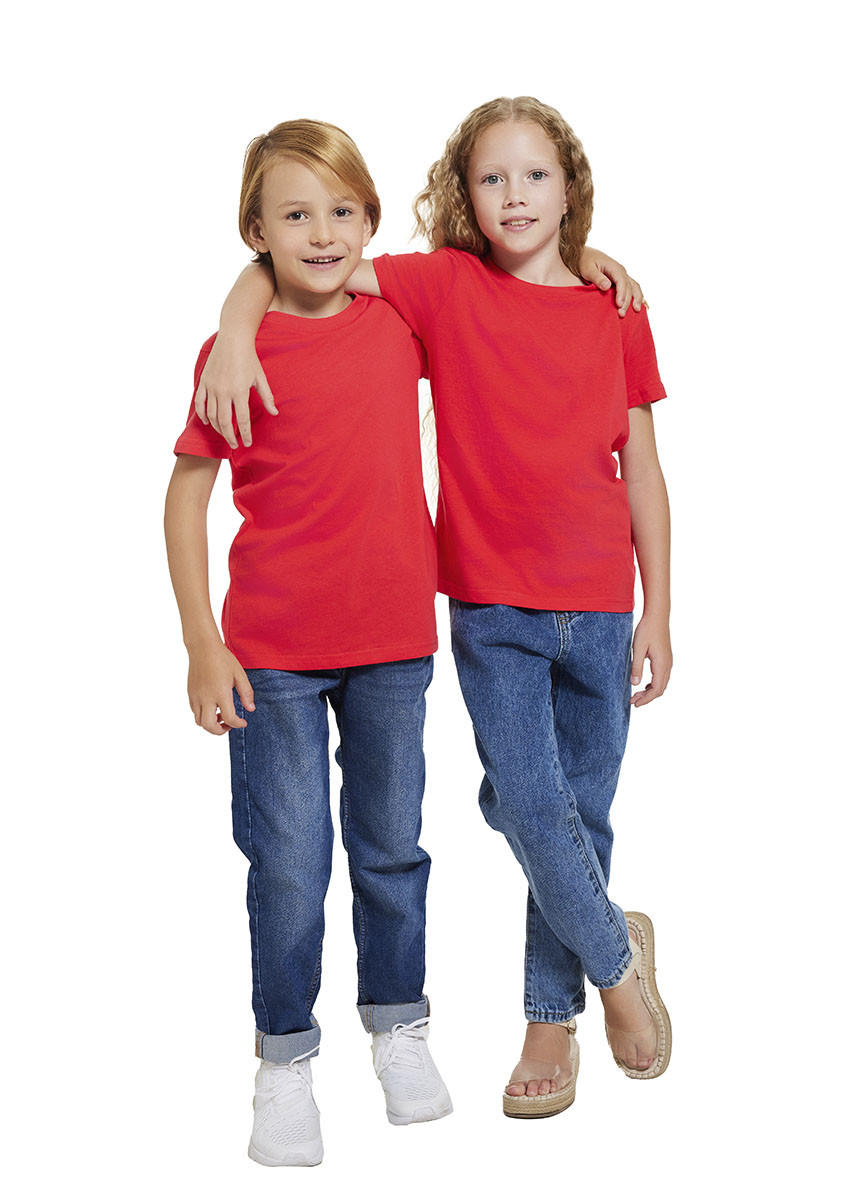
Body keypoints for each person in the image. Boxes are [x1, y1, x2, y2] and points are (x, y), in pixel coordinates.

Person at [194, 96, 670, 1121]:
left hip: (598, 602)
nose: (514, 196)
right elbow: (298, 262)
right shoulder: (441, 287)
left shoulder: (613, 307)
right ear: (462, 194)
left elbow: (642, 466)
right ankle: (615, 965)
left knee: (572, 815)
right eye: (491, 178)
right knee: (528, 804)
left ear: (571, 189)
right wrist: (233, 324)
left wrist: (661, 608)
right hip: (487, 605)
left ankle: (548, 1019)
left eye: (535, 176)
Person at [163, 119, 452, 1168]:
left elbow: (504, 285)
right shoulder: (230, 356)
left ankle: (398, 1024)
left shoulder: (401, 320)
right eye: (294, 215)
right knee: (287, 863)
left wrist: (590, 255)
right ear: (257, 232)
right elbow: (185, 500)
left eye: (340, 212)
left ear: (370, 222)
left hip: (392, 642)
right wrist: (201, 642)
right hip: (271, 652)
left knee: (391, 848)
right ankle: (284, 1058)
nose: (321, 233)